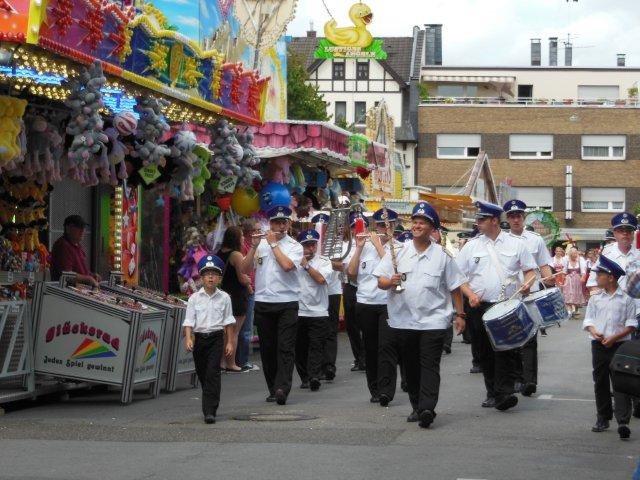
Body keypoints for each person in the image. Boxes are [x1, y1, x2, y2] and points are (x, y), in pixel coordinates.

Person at [374, 202, 466, 428]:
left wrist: (460, 315)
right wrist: (390, 281)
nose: (416, 226)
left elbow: (455, 287)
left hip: (433, 321)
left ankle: (427, 407)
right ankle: (416, 405)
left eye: (422, 222)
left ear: (432, 228)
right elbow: (380, 281)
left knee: (429, 365)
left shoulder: (442, 256)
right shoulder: (398, 252)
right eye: (414, 222)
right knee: (411, 367)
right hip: (403, 320)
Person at [456, 201, 537, 412]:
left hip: (506, 306)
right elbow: (459, 277)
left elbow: (530, 270)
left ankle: (504, 392)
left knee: (506, 351)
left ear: (494, 220)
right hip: (479, 306)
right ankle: (492, 392)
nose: (478, 223)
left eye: (481, 219)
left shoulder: (516, 244)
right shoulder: (471, 246)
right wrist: (470, 295)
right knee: (485, 352)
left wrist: (527, 284)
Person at [241, 206, 303, 405]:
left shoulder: (295, 246)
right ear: (271, 223)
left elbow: (287, 266)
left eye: (284, 222)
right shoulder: (261, 244)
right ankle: (272, 388)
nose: (280, 225)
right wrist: (252, 247)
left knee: (285, 347)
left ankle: (282, 388)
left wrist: (274, 244)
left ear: (288, 224)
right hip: (264, 302)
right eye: (276, 222)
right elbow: (244, 269)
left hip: (287, 303)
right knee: (268, 349)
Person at [347, 208, 402, 405]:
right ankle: (375, 388)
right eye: (379, 225)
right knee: (370, 348)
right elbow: (351, 273)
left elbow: (396, 269)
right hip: (366, 303)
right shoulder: (364, 247)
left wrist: (380, 247)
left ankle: (387, 390)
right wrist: (360, 247)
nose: (383, 229)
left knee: (386, 347)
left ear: (394, 226)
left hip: (389, 304)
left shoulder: (401, 248)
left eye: (387, 225)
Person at [503, 199, 555, 397]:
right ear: (507, 218)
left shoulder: (535, 239)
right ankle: (516, 377)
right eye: (512, 216)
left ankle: (529, 380)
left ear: (524, 218)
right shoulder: (502, 240)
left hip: (530, 294)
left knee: (530, 338)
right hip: (509, 295)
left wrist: (549, 279)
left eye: (519, 216)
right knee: (512, 338)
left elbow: (543, 265)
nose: (516, 220)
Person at [582, 255, 636, 439]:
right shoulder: (595, 299)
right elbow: (588, 319)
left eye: (600, 274)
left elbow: (631, 324)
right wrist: (594, 330)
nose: (597, 278)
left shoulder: (626, 299)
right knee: (601, 381)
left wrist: (615, 337)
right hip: (599, 344)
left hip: (619, 345)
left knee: (621, 382)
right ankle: (603, 417)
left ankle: (623, 421)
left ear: (611, 277)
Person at [183, 255, 235, 424]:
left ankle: (209, 410)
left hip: (216, 339)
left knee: (213, 372)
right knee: (203, 372)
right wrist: (188, 339)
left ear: (219, 278)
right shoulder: (194, 299)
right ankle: (210, 396)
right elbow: (189, 321)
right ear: (201, 277)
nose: (210, 277)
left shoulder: (225, 298)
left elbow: (228, 322)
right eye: (207, 274)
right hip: (200, 340)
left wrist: (229, 342)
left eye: (214, 274)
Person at [294, 229, 333, 391]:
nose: (310, 248)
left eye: (313, 245)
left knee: (316, 346)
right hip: (298, 311)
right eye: (306, 245)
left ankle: (314, 376)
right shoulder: (293, 261)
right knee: (300, 347)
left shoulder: (324, 261)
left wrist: (307, 265)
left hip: (318, 311)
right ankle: (304, 377)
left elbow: (321, 279)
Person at [311, 213, 342, 382]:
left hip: (332, 290)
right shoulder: (308, 244)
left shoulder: (337, 244)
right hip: (313, 293)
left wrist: (325, 262)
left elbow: (342, 266)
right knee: (315, 332)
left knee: (330, 330)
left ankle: (329, 365)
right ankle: (315, 366)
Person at [217, 226, 252, 372]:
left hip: (224, 294)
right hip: (237, 296)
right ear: (236, 238)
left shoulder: (220, 252)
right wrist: (249, 281)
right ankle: (231, 362)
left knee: (224, 331)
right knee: (234, 332)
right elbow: (242, 277)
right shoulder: (236, 255)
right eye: (241, 235)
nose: (243, 238)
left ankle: (221, 362)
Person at [336, 213, 367, 372]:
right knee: (352, 325)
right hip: (350, 286)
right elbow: (340, 267)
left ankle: (368, 356)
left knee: (367, 325)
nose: (357, 230)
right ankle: (359, 358)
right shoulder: (344, 245)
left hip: (367, 287)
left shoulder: (370, 244)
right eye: (354, 227)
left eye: (360, 226)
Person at [51, 215, 101, 286]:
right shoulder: (63, 245)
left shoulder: (77, 245)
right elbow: (66, 275)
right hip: (66, 293)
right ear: (68, 228)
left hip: (81, 290)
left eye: (84, 227)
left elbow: (81, 271)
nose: (83, 230)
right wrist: (88, 279)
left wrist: (92, 275)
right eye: (79, 227)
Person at [237, 219, 260, 372]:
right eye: (258, 229)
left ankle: (240, 360)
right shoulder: (245, 246)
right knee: (245, 329)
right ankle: (242, 361)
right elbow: (243, 269)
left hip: (253, 288)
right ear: (251, 232)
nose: (261, 232)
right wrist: (249, 287)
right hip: (248, 290)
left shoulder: (255, 245)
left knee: (245, 328)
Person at [563, 247, 587, 316]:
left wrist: (582, 277)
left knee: (576, 293)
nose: (574, 256)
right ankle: (570, 309)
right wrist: (563, 280)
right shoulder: (566, 260)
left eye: (575, 254)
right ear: (570, 254)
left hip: (577, 279)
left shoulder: (580, 260)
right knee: (569, 293)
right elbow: (564, 271)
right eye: (572, 254)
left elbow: (583, 271)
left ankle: (576, 309)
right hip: (568, 279)